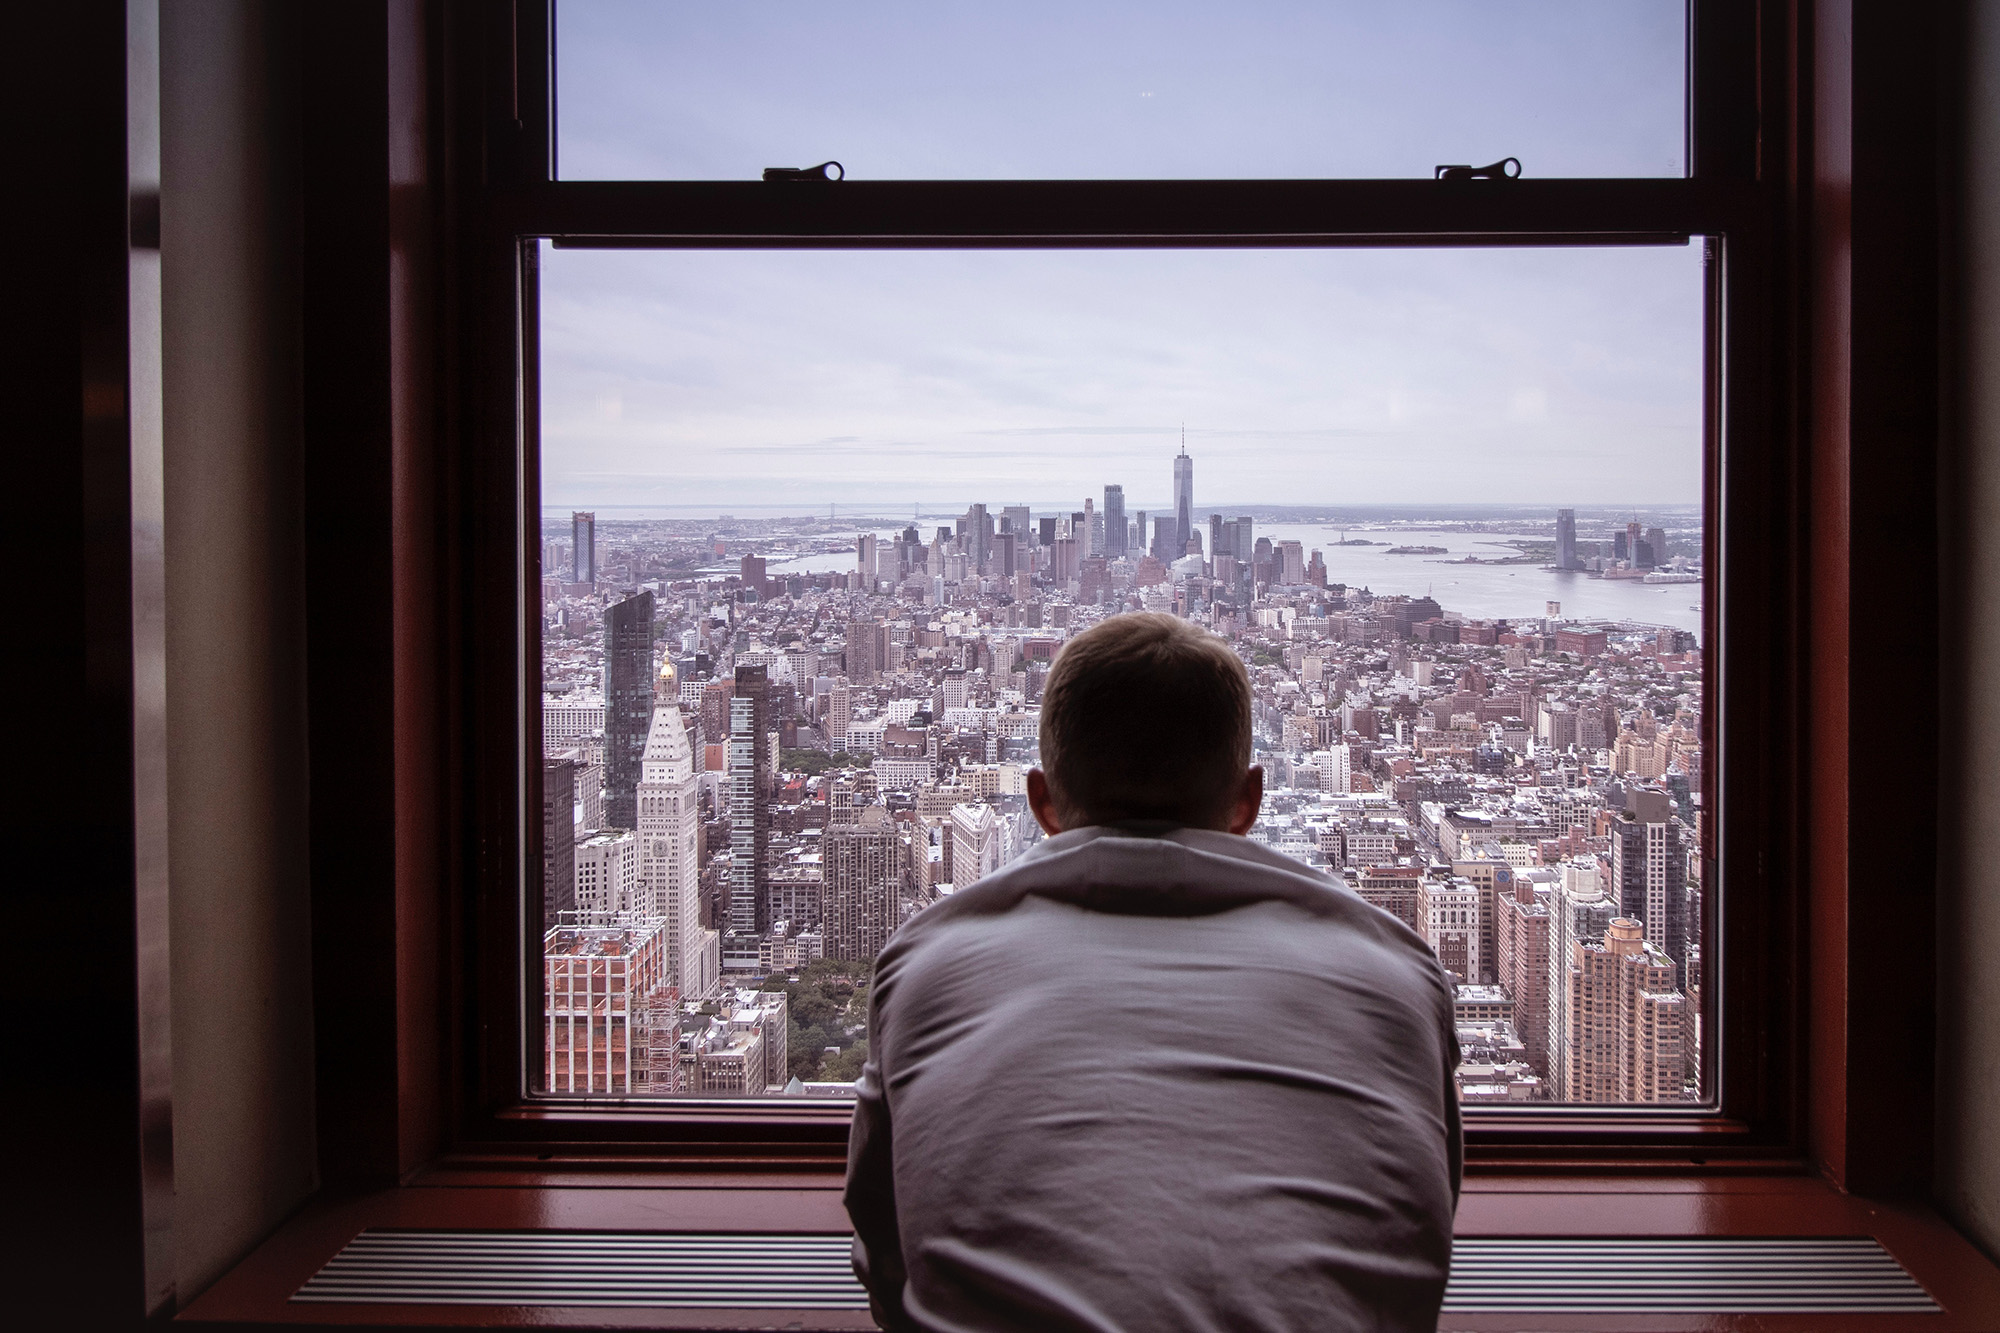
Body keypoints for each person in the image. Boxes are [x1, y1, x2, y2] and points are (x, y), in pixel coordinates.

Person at [844, 612, 1461, 1332]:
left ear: (1041, 801)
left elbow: (883, 1248)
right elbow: (1424, 1223)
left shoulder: (927, 967)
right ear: (1248, 801)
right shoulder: (1395, 975)